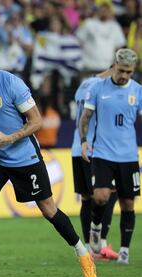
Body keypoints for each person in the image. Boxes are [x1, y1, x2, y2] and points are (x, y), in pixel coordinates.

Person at [0, 41, 96, 277]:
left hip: (24, 157)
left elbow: (36, 121)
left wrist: (10, 138)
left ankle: (83, 254)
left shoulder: (11, 84)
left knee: (48, 209)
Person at [79, 48, 141, 265]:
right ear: (114, 65)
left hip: (129, 156)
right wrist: (84, 141)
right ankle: (95, 228)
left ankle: (124, 250)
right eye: (122, 70)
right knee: (100, 197)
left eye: (129, 72)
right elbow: (85, 117)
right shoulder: (98, 88)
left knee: (127, 204)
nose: (125, 75)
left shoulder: (138, 91)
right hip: (103, 153)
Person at [71, 68, 119, 260]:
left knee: (86, 198)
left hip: (77, 146)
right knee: (108, 194)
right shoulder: (102, 88)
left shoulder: (83, 85)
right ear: (115, 67)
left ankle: (91, 248)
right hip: (95, 148)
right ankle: (101, 244)